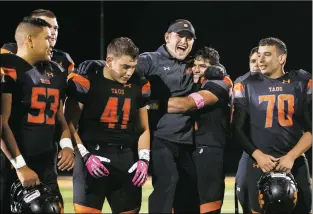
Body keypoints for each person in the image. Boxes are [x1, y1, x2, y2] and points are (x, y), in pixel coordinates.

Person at [75, 19, 200, 213]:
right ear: (167, 37)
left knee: (189, 191)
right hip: (158, 137)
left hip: (186, 140)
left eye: (189, 38)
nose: (184, 41)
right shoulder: (150, 60)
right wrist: (99, 64)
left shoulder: (195, 63)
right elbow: (122, 65)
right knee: (168, 182)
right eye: (180, 36)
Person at [65, 37, 150, 214]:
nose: (129, 72)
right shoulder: (86, 81)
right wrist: (85, 156)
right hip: (91, 157)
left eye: (133, 66)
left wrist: (144, 158)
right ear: (109, 61)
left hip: (126, 159)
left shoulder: (139, 84)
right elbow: (70, 125)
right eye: (125, 66)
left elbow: (144, 128)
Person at [0, 17, 74, 213]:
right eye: (46, 38)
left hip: (46, 166)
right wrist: (20, 166)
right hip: (11, 166)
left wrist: (66, 145)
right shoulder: (7, 67)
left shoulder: (56, 71)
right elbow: (1, 123)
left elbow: (59, 118)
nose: (52, 43)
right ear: (30, 40)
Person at [232, 37, 312, 213]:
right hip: (258, 163)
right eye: (259, 55)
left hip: (294, 161)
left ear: (282, 58)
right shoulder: (246, 84)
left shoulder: (301, 82)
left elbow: (311, 128)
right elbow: (237, 129)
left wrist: (291, 156)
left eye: (267, 55)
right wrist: (258, 156)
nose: (260, 60)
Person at [164, 46, 232, 213]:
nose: (195, 69)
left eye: (202, 66)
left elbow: (186, 104)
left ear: (214, 68)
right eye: (194, 65)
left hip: (210, 150)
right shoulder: (194, 84)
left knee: (208, 206)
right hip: (190, 149)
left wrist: (150, 104)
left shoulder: (219, 83)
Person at [234, 46, 260, 214]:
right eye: (253, 61)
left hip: (279, 147)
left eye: (261, 60)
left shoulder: (283, 83)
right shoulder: (242, 83)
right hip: (250, 149)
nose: (257, 64)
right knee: (241, 188)